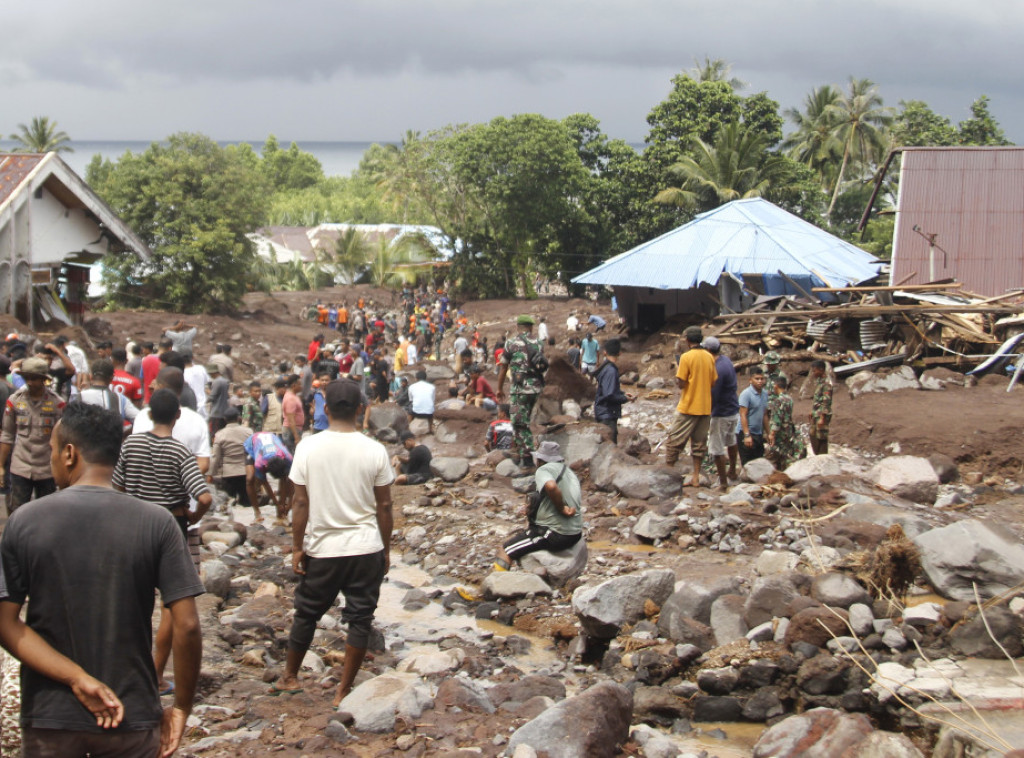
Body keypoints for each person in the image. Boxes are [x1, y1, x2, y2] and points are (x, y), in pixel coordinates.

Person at [0, 402, 203, 757]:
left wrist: (76, 678)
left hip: (51, 717)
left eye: (50, 450)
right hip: (131, 715)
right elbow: (186, 625)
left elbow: (5, 624)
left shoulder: (25, 520)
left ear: (68, 453)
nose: (50, 460)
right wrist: (182, 706)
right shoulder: (158, 523)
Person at [273, 380, 394, 708]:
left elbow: (300, 503)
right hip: (366, 546)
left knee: (307, 612)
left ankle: (290, 677)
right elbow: (384, 506)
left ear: (324, 409)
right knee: (360, 618)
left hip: (323, 548)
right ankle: (343, 690)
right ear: (359, 410)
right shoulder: (375, 450)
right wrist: (386, 548)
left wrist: (297, 547)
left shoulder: (308, 448)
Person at [114, 389, 212, 702]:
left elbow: (117, 485)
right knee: (171, 605)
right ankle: (155, 676)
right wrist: (194, 514)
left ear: (149, 414)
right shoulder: (180, 452)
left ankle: (128, 673)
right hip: (171, 528)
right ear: (177, 416)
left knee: (134, 602)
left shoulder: (131, 443)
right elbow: (205, 496)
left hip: (132, 527)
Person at [494, 441, 582, 570]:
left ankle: (496, 585)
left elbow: (551, 488)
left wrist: (561, 508)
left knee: (505, 550)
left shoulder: (544, 470)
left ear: (540, 460)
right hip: (575, 534)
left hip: (555, 535)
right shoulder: (567, 472)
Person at [0, 356, 65, 513]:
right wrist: (1, 466)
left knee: (46, 513)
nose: (29, 382)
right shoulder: (14, 401)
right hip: (20, 466)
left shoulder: (57, 404)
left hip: (46, 469)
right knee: (17, 512)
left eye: (34, 378)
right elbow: (7, 435)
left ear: (43, 379)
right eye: (27, 378)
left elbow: (62, 439)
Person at [664, 326, 717, 489]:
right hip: (705, 407)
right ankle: (695, 477)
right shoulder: (709, 357)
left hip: (688, 406)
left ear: (687, 340)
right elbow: (714, 381)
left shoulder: (686, 357)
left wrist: (683, 382)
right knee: (699, 444)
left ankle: (668, 474)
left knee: (674, 441)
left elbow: (681, 382)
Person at [496, 315, 547, 467]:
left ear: (518, 327)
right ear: (531, 327)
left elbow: (503, 367)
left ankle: (527, 457)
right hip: (536, 388)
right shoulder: (539, 343)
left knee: (519, 423)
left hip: (520, 389)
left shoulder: (511, 343)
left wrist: (499, 388)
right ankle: (518, 450)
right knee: (524, 421)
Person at [705, 337, 740, 489]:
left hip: (721, 412)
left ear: (708, 351)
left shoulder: (717, 368)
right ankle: (732, 470)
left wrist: (706, 412)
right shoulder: (726, 360)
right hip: (733, 408)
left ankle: (723, 481)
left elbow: (714, 395)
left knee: (717, 448)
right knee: (731, 441)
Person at [210, 406, 255, 515]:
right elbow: (254, 451)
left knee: (228, 505)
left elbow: (215, 456)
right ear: (238, 418)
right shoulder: (249, 432)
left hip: (228, 474)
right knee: (247, 505)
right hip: (245, 472)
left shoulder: (220, 434)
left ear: (225, 419)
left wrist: (210, 474)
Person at [244, 431, 294, 524]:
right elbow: (266, 483)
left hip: (272, 439)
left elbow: (289, 480)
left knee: (285, 478)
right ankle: (257, 513)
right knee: (250, 479)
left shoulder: (288, 458)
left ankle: (281, 513)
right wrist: (276, 503)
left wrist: (288, 504)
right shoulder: (259, 463)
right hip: (252, 443)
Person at [78, 359, 139, 433]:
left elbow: (69, 423)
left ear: (90, 376)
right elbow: (140, 419)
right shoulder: (121, 399)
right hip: (113, 443)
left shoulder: (81, 397)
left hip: (85, 443)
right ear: (111, 378)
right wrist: (125, 434)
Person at [593, 338, 634, 444]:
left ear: (605, 352)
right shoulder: (611, 370)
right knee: (609, 446)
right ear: (620, 353)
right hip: (607, 414)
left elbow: (608, 390)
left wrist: (622, 394)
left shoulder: (605, 367)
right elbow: (609, 395)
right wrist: (625, 398)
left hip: (603, 411)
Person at [766, 375, 805, 470]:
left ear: (775, 386)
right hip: (788, 429)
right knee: (786, 452)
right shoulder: (789, 398)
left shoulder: (778, 401)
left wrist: (772, 434)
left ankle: (781, 471)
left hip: (780, 432)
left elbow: (777, 419)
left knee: (778, 454)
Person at [737, 368, 768, 464]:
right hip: (746, 432)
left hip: (758, 433)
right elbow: (743, 415)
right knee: (748, 465)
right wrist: (747, 435)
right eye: (757, 379)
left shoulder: (765, 394)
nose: (760, 381)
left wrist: (769, 433)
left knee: (759, 463)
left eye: (762, 379)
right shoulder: (746, 394)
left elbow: (765, 414)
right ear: (750, 380)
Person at [808, 360, 834, 455]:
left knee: (821, 437)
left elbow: (826, 402)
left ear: (821, 370)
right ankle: (818, 455)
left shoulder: (827, 384)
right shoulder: (820, 382)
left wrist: (822, 418)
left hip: (822, 415)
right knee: (812, 434)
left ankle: (822, 456)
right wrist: (812, 411)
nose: (813, 373)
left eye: (815, 371)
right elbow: (818, 399)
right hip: (816, 413)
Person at [281, 374, 305, 452]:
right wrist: (296, 436)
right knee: (292, 453)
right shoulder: (290, 398)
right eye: (300, 384)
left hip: (295, 429)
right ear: (294, 385)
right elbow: (291, 419)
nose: (301, 386)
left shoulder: (293, 396)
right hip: (291, 430)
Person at [407, 370, 435, 434]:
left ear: (416, 378)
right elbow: (433, 399)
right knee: (431, 405)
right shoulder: (432, 387)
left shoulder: (411, 387)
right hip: (429, 413)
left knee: (410, 406)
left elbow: (411, 400)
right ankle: (430, 429)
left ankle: (409, 428)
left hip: (416, 411)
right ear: (426, 378)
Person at [207, 363, 231, 436]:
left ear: (213, 373)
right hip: (224, 412)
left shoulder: (216, 382)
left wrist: (207, 395)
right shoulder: (225, 381)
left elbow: (212, 397)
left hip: (216, 413)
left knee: (214, 434)